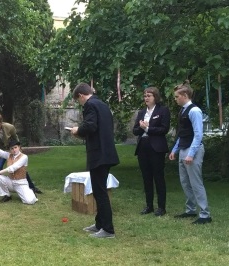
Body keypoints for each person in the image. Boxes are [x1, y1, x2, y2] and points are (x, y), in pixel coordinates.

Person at [70, 83, 120, 239]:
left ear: (81, 96)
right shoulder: (102, 104)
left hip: (99, 154)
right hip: (107, 152)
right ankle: (99, 224)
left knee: (100, 192)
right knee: (99, 191)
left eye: (78, 101)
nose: (80, 104)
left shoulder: (90, 105)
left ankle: (108, 229)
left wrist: (77, 130)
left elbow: (90, 126)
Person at [169, 80, 212, 225]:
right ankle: (190, 210)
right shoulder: (183, 111)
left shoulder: (194, 111)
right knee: (185, 182)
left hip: (193, 150)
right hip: (183, 149)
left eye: (176, 96)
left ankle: (205, 215)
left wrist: (191, 154)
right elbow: (183, 133)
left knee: (195, 182)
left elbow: (198, 135)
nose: (175, 99)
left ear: (185, 95)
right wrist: (175, 150)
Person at [132, 87, 171, 217]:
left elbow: (164, 129)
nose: (146, 98)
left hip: (156, 147)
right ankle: (149, 205)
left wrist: (148, 128)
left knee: (158, 177)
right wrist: (142, 128)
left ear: (156, 97)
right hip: (143, 146)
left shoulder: (163, 110)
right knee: (146, 177)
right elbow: (135, 130)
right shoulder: (142, 112)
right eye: (145, 96)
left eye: (149, 95)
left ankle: (161, 207)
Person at [0, 139, 38, 204]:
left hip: (21, 183)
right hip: (10, 181)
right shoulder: (8, 155)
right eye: (12, 148)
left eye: (15, 147)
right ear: (10, 149)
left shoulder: (24, 157)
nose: (14, 150)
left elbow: (13, 168)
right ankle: (7, 195)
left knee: (30, 201)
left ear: (19, 147)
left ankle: (30, 192)